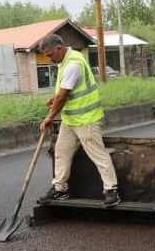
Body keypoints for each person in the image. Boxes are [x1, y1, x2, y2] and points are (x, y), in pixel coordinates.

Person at [35, 34, 120, 208]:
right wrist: (54, 97)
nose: (49, 58)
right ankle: (60, 189)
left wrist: (49, 117)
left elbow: (64, 96)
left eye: (50, 54)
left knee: (98, 154)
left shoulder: (73, 63)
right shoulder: (63, 62)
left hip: (86, 119)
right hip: (71, 119)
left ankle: (112, 190)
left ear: (59, 48)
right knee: (62, 151)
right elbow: (64, 90)